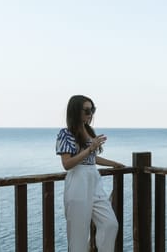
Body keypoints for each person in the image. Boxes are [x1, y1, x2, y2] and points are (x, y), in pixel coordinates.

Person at [56, 95, 125, 252]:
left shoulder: (88, 131)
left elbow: (92, 158)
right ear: (75, 111)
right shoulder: (65, 134)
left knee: (110, 224)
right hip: (77, 183)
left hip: (94, 181)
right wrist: (90, 149)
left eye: (92, 110)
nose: (90, 114)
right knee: (78, 237)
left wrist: (113, 164)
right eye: (87, 110)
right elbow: (67, 164)